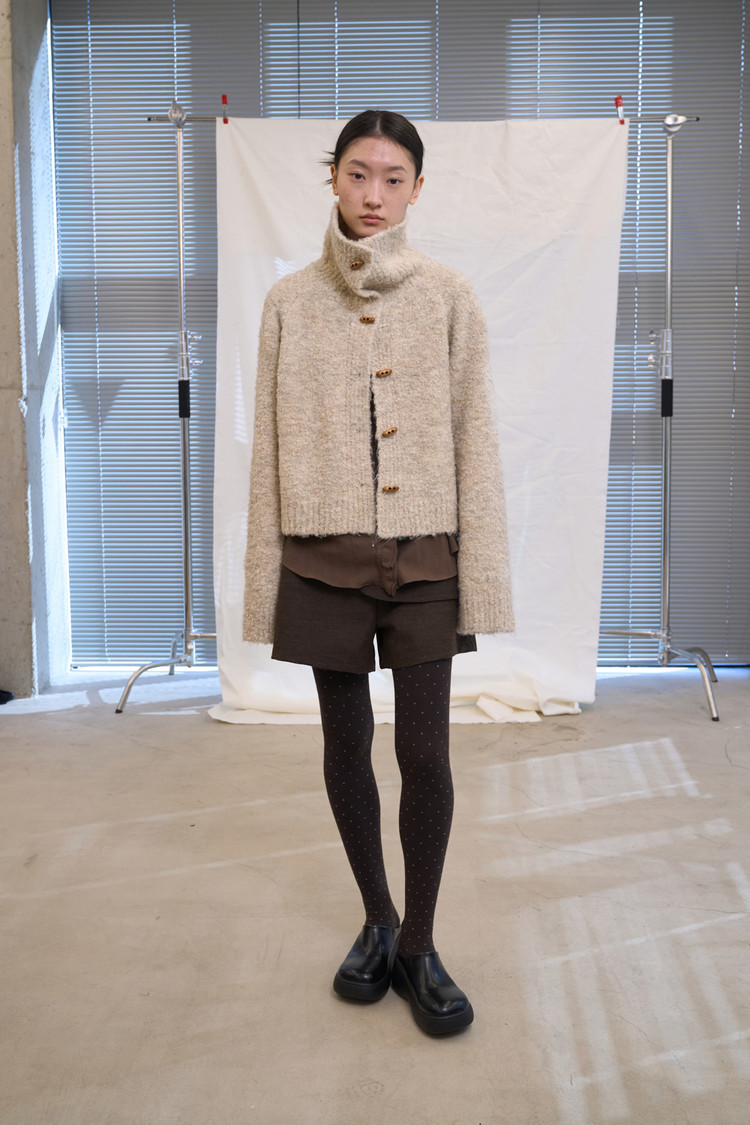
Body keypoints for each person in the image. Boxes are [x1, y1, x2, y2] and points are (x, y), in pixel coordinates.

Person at [243, 110, 513, 1036]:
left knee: (426, 753)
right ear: (333, 177)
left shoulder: (449, 296)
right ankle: (377, 916)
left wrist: (485, 574)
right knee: (344, 744)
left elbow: (477, 438)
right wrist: (262, 578)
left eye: (394, 178)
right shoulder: (288, 300)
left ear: (418, 190)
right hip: (321, 559)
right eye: (358, 173)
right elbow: (266, 454)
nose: (373, 194)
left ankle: (419, 944)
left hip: (426, 553)